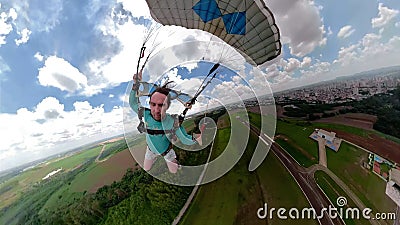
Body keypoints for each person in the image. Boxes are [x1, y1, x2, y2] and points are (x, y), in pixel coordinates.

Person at [129, 70, 203, 173]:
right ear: (149, 104)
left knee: (173, 170)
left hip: (166, 152)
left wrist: (196, 138)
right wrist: (135, 85)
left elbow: (184, 139)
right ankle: (155, 157)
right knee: (146, 168)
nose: (156, 110)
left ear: (167, 106)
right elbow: (133, 103)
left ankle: (175, 162)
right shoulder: (146, 114)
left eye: (161, 105)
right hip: (151, 150)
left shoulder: (172, 122)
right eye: (153, 104)